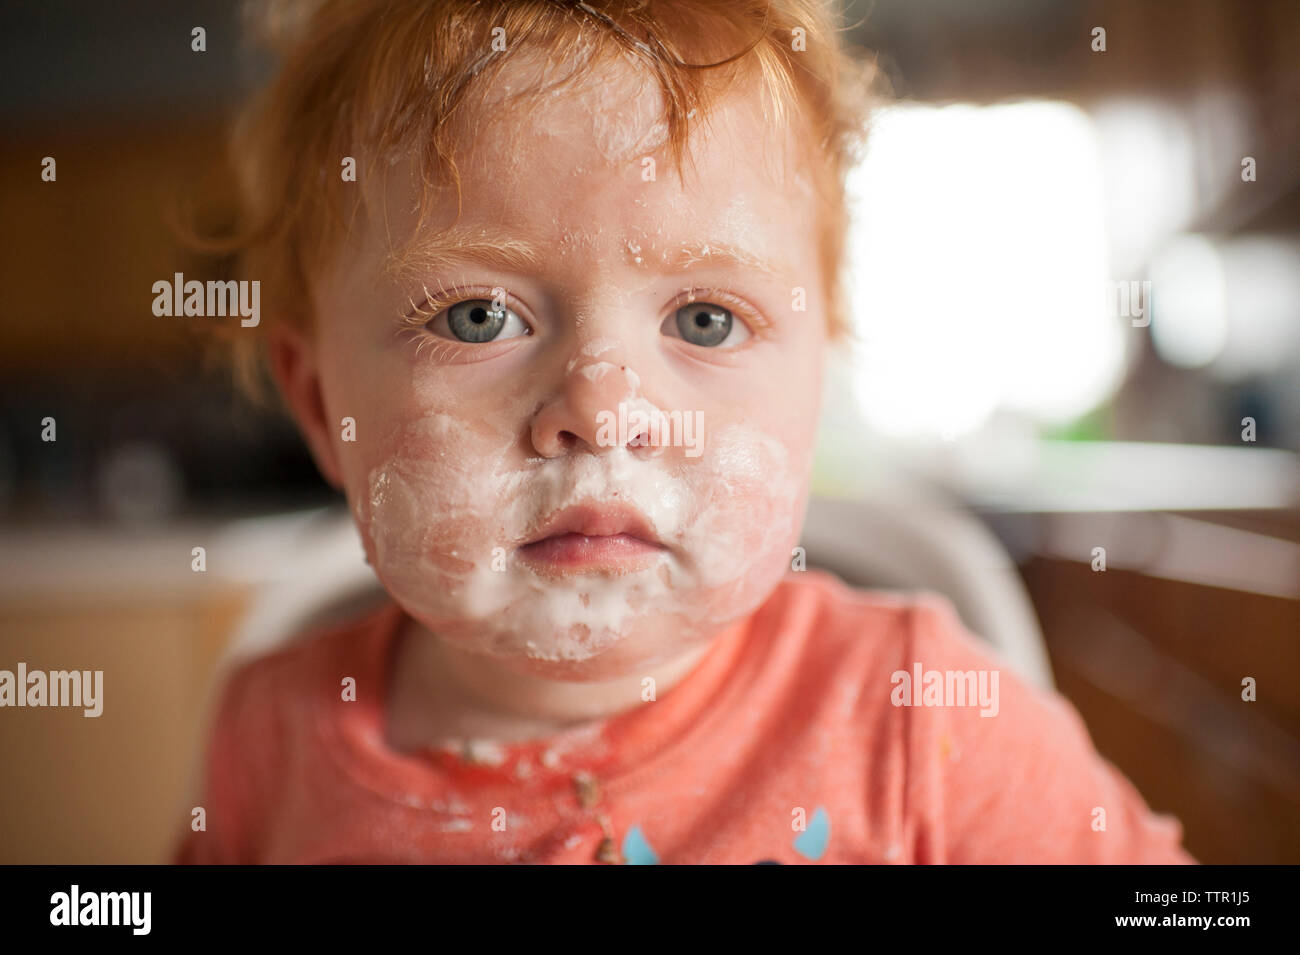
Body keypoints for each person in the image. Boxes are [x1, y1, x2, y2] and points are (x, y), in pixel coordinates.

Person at [174, 0, 1194, 864]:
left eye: (705, 320)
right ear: (320, 406)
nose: (606, 411)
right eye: (477, 317)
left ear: (816, 377)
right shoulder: (269, 738)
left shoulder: (921, 718)